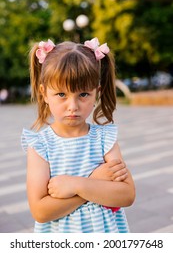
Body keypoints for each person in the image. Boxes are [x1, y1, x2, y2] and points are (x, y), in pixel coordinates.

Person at [21, 37, 135, 233]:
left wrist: (76, 185)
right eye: (61, 95)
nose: (73, 106)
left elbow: (127, 195)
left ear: (96, 93)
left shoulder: (103, 139)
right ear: (44, 94)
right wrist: (94, 182)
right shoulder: (41, 146)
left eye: (83, 94)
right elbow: (40, 211)